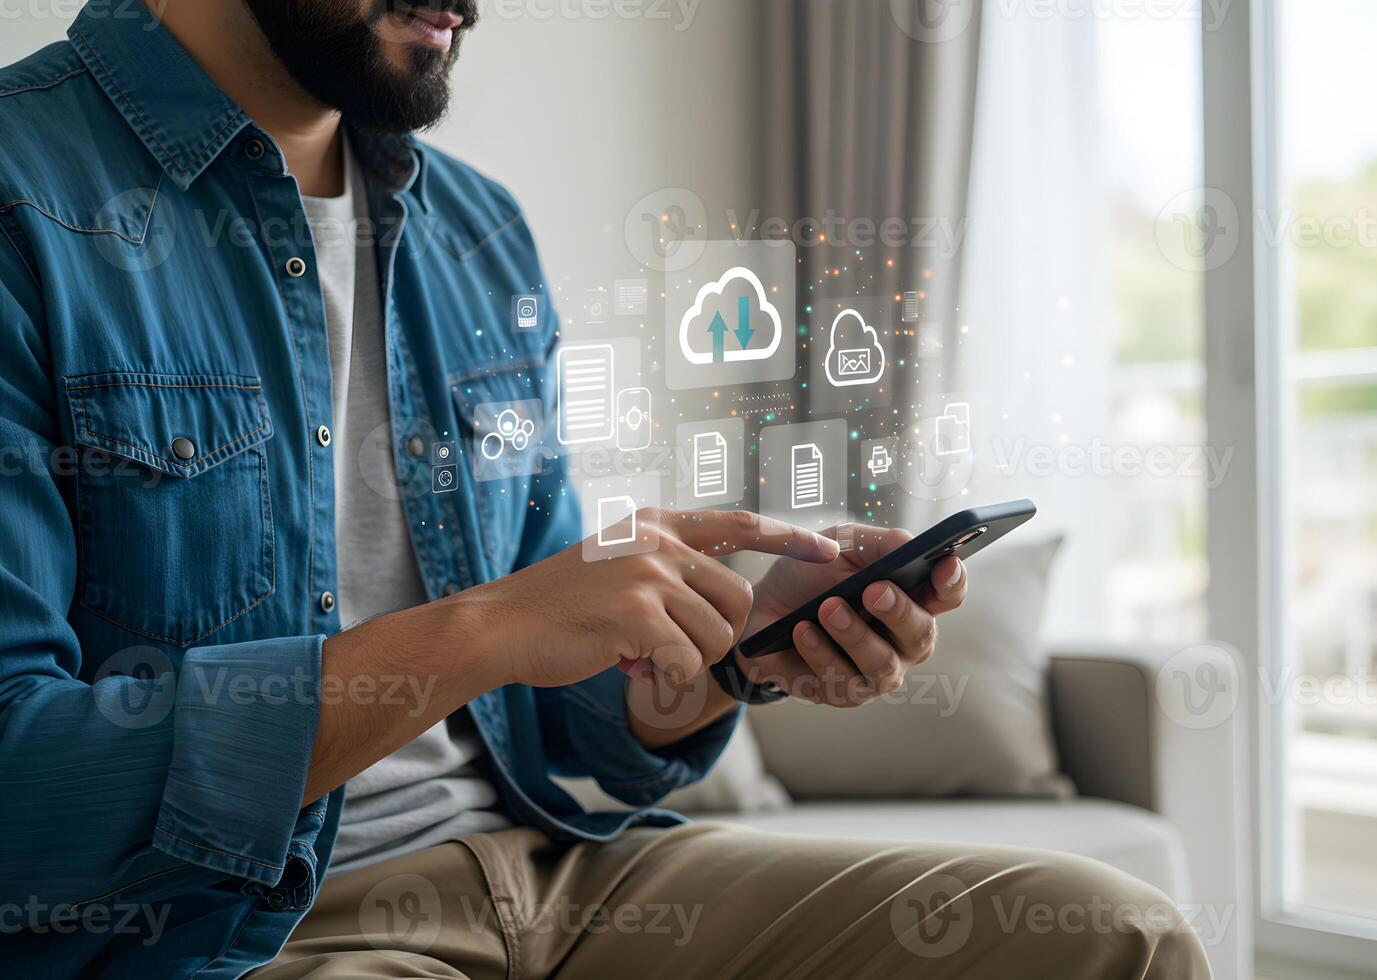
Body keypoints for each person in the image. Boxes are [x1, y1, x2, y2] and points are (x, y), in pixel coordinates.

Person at [0, 1, 1210, 976]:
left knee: (1113, 933)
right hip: (246, 931)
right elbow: (22, 783)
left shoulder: (475, 233)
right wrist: (483, 628)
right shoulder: (24, 194)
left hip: (561, 870)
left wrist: (711, 652)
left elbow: (561, 719)